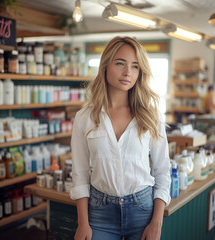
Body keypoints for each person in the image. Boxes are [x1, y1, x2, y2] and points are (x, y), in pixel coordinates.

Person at [70, 36, 171, 240]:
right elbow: (80, 173)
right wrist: (83, 224)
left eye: (135, 67)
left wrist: (156, 223)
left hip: (142, 210)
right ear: (105, 65)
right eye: (120, 64)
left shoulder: (151, 116)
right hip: (99, 213)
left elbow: (162, 171)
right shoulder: (85, 117)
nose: (128, 73)